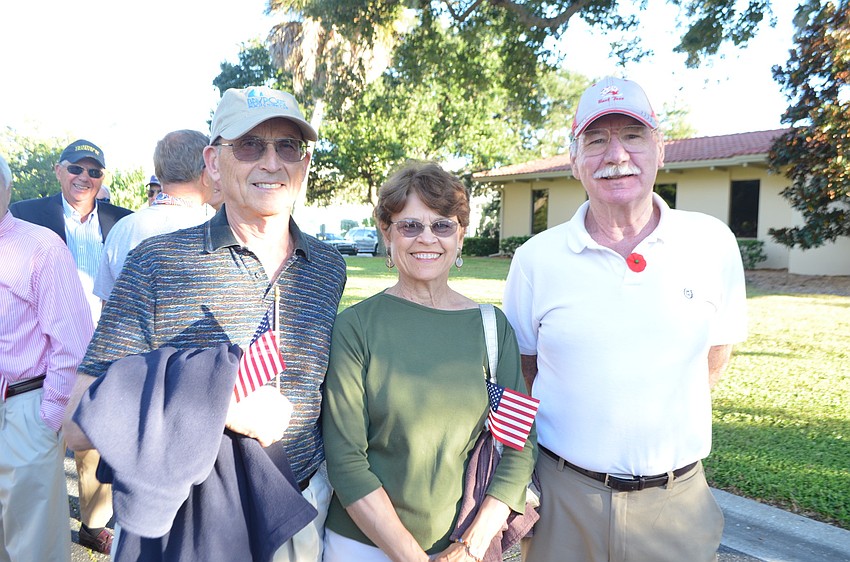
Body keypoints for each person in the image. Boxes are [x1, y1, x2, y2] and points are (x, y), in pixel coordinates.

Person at [63, 86, 347, 561]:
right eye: (251, 145)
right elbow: (77, 418)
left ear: (306, 163)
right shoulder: (158, 263)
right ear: (213, 162)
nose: (272, 162)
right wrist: (223, 404)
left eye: (288, 146)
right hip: (190, 522)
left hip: (301, 509)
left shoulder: (327, 267)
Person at [502, 76, 748, 562]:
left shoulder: (712, 243)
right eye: (596, 140)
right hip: (563, 502)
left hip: (675, 505)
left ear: (660, 150)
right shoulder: (536, 259)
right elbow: (522, 376)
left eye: (632, 136)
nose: (616, 155)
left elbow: (712, 358)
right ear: (574, 161)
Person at [321, 161, 536, 561]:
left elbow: (519, 443)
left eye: (442, 225)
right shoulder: (355, 329)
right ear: (386, 233)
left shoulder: (491, 328)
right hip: (363, 547)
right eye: (410, 226)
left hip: (462, 547)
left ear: (460, 236)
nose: (427, 238)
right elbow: (347, 462)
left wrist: (472, 544)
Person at [9, 138, 133, 555]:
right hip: (47, 352)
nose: (85, 177)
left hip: (100, 347)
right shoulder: (28, 216)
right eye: (76, 169)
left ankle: (93, 522)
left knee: (92, 443)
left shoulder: (121, 221)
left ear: (103, 179)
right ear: (59, 172)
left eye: (94, 171)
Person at [0, 153, 94, 562]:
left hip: (23, 410)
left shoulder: (41, 247)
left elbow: (73, 344)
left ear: (4, 189)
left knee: (32, 546)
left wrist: (48, 419)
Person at [93, 129, 222, 302]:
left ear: (160, 174)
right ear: (205, 174)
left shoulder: (122, 229)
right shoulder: (214, 232)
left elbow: (108, 309)